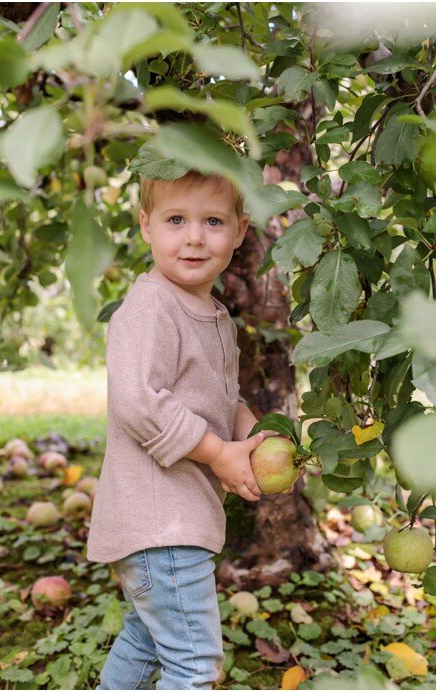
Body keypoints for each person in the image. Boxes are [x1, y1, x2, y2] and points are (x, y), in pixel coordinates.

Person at [88, 170, 270, 689]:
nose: (194, 237)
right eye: (176, 220)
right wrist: (217, 454)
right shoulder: (148, 309)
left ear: (239, 231)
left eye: (213, 221)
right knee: (193, 666)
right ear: (146, 226)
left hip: (174, 523)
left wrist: (256, 439)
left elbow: (219, 398)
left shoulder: (215, 317)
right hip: (159, 523)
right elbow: (138, 402)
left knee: (146, 642)